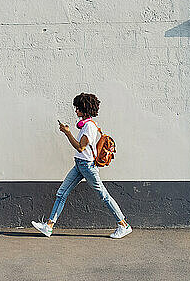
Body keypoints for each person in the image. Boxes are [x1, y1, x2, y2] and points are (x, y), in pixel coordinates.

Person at [32, 93, 132, 239]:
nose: (76, 110)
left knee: (103, 195)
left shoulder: (89, 127)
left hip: (87, 167)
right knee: (61, 193)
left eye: (78, 108)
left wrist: (67, 133)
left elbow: (80, 147)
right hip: (79, 165)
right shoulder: (85, 125)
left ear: (85, 109)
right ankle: (49, 226)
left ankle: (123, 225)